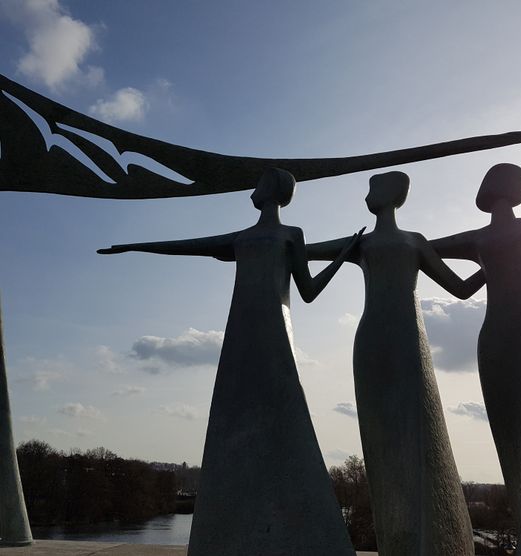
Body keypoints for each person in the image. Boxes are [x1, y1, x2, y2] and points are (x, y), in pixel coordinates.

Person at [98, 168, 362, 556]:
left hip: (274, 330)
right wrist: (133, 246)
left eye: (256, 185)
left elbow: (307, 293)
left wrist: (341, 256)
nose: (250, 192)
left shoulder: (292, 235)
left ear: (271, 190)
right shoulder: (243, 237)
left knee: (284, 409)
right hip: (240, 330)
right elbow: (187, 245)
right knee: (233, 413)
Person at [307, 171, 484, 556]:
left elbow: (462, 288)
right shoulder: (361, 243)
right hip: (371, 342)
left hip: (409, 341)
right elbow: (301, 254)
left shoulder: (414, 242)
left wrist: (503, 261)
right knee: (381, 441)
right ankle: (398, 538)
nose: (366, 195)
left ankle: (433, 539)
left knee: (421, 432)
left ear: (393, 193)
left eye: (373, 188)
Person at [431, 163, 521, 555]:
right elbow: (421, 250)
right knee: (511, 438)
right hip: (497, 341)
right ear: (507, 186)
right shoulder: (478, 237)